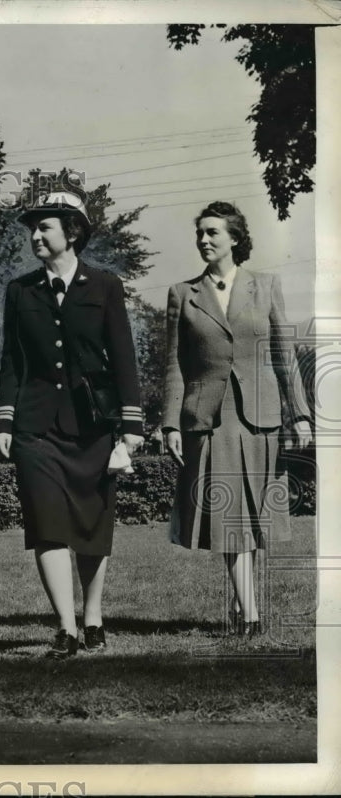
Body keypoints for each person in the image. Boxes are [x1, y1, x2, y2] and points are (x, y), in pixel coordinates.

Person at [0, 186, 144, 659]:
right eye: (32, 229)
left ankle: (93, 616)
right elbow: (12, 361)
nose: (35, 235)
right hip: (36, 429)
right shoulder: (20, 291)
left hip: (92, 424)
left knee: (92, 524)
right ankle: (65, 627)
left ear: (72, 232)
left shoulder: (105, 286)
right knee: (48, 523)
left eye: (44, 227)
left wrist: (132, 424)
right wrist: (4, 419)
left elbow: (123, 356)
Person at [162, 201, 313, 637]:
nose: (204, 240)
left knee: (254, 517)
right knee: (230, 520)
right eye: (200, 233)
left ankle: (239, 598)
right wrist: (171, 423)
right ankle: (251, 615)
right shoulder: (182, 294)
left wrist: (299, 413)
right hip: (210, 418)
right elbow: (174, 363)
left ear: (234, 238)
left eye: (213, 233)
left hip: (261, 417)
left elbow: (285, 355)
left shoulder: (265, 287)